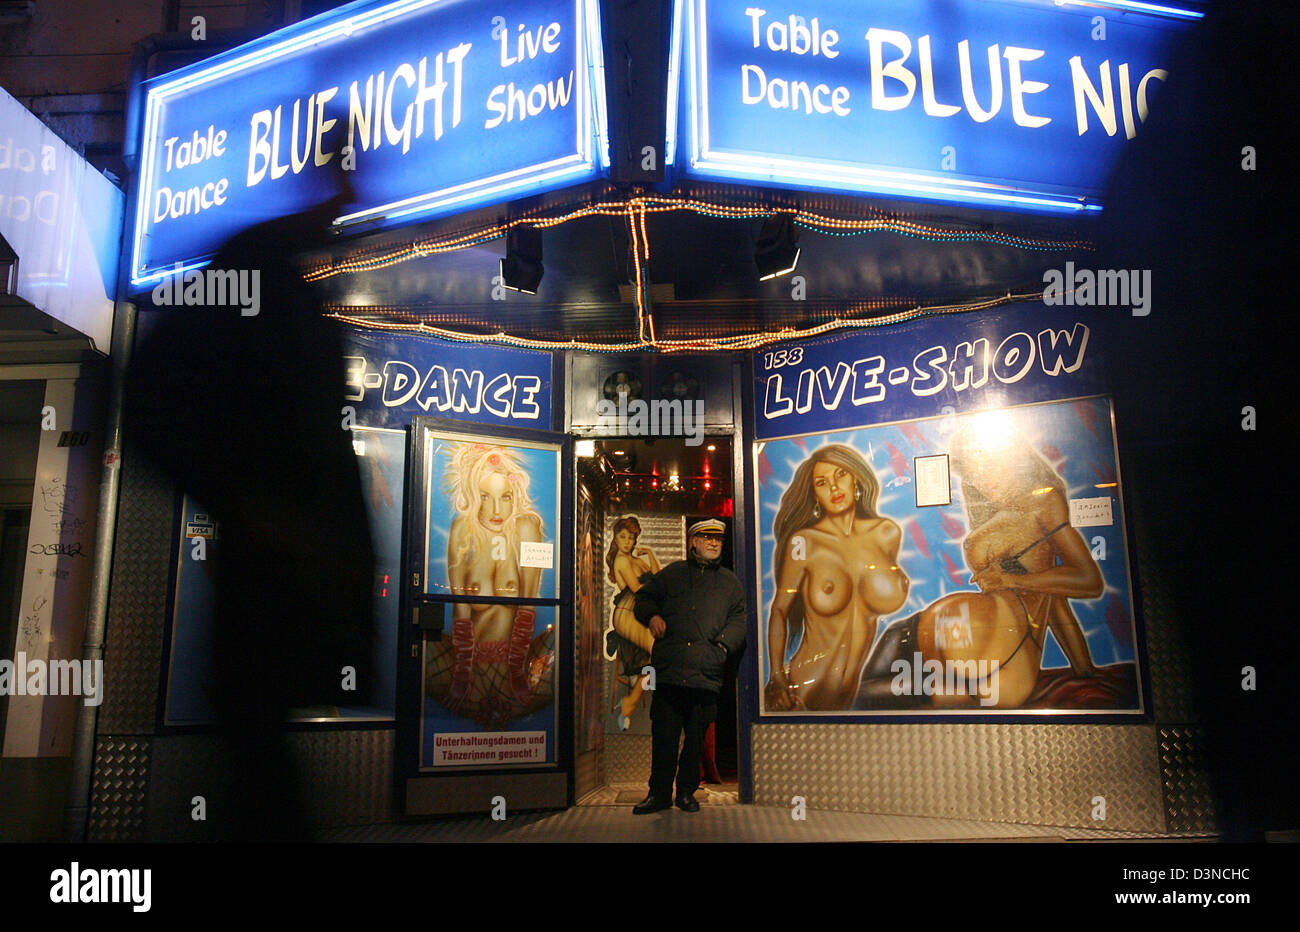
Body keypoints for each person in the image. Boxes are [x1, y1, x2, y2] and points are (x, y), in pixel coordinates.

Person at [123, 177, 375, 840]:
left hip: (290, 565)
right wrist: (248, 506)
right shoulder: (257, 292)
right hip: (280, 569)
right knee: (257, 744)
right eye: (336, 188)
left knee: (256, 742)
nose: (344, 204)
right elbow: (152, 405)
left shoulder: (278, 298)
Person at [858, 416, 1104, 709]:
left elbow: (1088, 581)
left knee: (869, 699)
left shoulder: (1044, 502)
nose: (983, 482)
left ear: (1015, 459)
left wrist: (1015, 581)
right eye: (974, 475)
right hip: (924, 631)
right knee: (861, 698)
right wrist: (1083, 669)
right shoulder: (991, 514)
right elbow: (1053, 599)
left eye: (990, 467)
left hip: (987, 654)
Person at [764, 445, 909, 711]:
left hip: (851, 696)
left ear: (855, 478)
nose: (834, 487)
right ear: (815, 495)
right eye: (822, 482)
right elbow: (779, 610)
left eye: (841, 474)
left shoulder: (887, 533)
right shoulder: (805, 543)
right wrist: (776, 677)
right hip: (802, 691)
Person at [424, 442, 555, 729]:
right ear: (473, 496)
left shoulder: (526, 528)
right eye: (485, 496)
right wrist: (461, 676)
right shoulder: (463, 530)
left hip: (514, 666)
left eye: (505, 497)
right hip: (470, 665)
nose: (496, 510)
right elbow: (460, 605)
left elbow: (530, 600)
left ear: (515, 495)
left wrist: (517, 673)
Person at [631, 518, 746, 813]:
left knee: (695, 741)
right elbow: (643, 598)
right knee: (664, 738)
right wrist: (652, 617)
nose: (712, 543)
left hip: (706, 674)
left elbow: (740, 620)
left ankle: (686, 793)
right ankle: (658, 795)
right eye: (706, 538)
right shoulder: (673, 574)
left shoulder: (730, 584)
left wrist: (720, 648)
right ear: (692, 541)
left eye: (717, 539)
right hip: (669, 672)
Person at [604, 514, 661, 727]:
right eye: (623, 536)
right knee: (658, 651)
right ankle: (631, 701)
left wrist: (651, 554)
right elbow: (637, 588)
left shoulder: (636, 559)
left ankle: (629, 703)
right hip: (627, 611)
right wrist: (658, 588)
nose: (627, 542)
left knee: (657, 654)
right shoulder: (621, 560)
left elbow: (659, 576)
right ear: (615, 538)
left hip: (641, 610)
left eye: (631, 537)